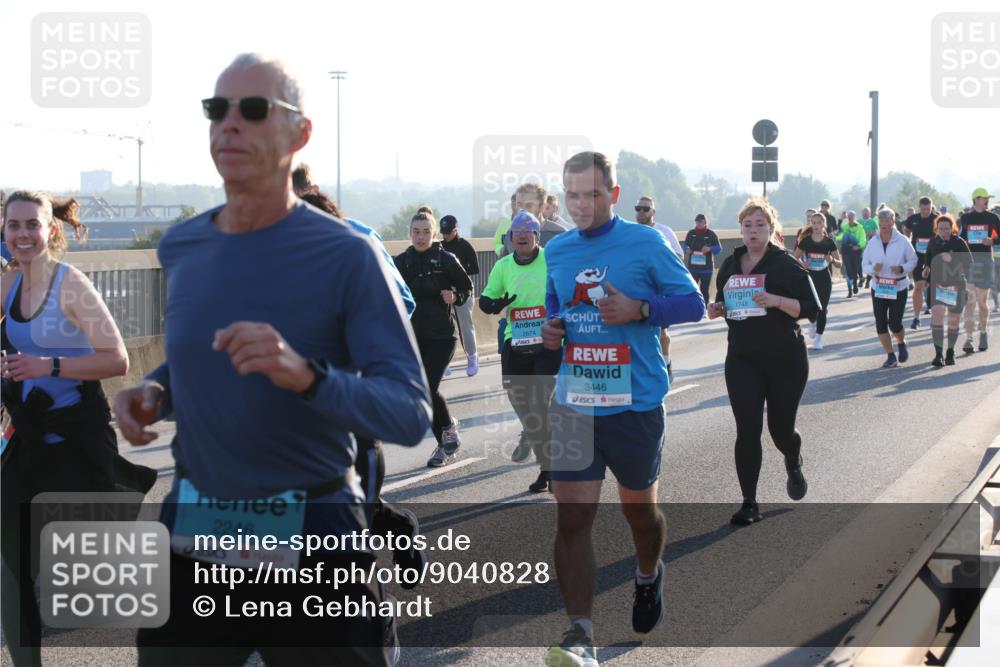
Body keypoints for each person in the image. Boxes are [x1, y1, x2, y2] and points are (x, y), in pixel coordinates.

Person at [111, 54, 432, 667]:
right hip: (196, 531)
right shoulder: (182, 246)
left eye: (253, 111)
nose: (229, 124)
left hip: (314, 537)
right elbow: (197, 360)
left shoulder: (348, 256)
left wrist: (308, 378)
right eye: (217, 110)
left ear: (299, 134)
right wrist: (153, 392)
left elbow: (410, 414)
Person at [541, 151, 704, 667]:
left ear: (612, 195)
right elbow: (556, 305)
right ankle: (580, 634)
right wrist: (553, 328)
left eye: (592, 194)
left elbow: (694, 302)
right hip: (575, 403)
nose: (581, 204)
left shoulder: (646, 242)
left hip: (635, 403)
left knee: (639, 512)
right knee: (572, 519)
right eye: (572, 195)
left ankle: (648, 575)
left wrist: (642, 309)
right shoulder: (559, 249)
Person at [1, 190, 157, 667]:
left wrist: (47, 365)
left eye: (33, 224)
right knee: (10, 569)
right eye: (14, 225)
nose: (23, 234)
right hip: (26, 443)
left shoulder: (71, 286)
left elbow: (117, 359)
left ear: (51, 229)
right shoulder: (5, 285)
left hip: (74, 442)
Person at [707, 198, 819, 526]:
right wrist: (718, 308)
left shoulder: (785, 264)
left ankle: (793, 457)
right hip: (743, 358)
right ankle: (749, 502)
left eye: (759, 225)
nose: (753, 231)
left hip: (785, 358)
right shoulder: (730, 263)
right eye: (747, 225)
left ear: (771, 228)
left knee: (779, 430)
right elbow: (726, 301)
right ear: (740, 230)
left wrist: (776, 301)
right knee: (748, 429)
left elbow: (812, 307)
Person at [479, 210, 560, 493]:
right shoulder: (503, 266)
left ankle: (548, 469)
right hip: (516, 343)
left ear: (537, 237)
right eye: (517, 233)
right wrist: (493, 303)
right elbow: (487, 299)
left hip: (547, 342)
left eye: (528, 232)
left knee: (539, 403)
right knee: (525, 408)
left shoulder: (550, 259)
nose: (522, 237)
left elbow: (567, 289)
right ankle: (539, 444)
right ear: (511, 238)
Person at [394, 211, 473, 468]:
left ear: (434, 234)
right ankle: (444, 442)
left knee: (427, 387)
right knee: (420, 392)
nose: (420, 237)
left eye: (426, 231)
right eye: (416, 232)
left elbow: (466, 288)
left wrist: (455, 295)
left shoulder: (445, 259)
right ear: (410, 234)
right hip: (414, 337)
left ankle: (448, 428)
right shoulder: (401, 262)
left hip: (442, 336)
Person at [862, 207, 918, 368]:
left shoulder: (902, 241)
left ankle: (901, 342)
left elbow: (913, 260)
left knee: (895, 323)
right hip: (879, 286)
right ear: (878, 222)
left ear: (893, 221)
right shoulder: (873, 242)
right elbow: (864, 264)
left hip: (898, 286)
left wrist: (901, 269)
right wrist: (873, 269)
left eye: (887, 220)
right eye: (881, 221)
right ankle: (890, 355)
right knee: (880, 323)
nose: (884, 224)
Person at [634, 195, 683, 380]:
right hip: (636, 288)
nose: (641, 212)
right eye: (638, 208)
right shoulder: (629, 232)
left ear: (653, 212)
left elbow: (678, 257)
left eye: (645, 209)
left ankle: (666, 362)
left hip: (659, 289)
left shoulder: (664, 231)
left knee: (662, 332)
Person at [923, 214, 972, 366]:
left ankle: (950, 351)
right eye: (941, 229)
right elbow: (928, 261)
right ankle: (938, 355)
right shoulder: (933, 242)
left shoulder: (959, 242)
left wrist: (953, 259)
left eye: (947, 229)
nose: (944, 231)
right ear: (937, 229)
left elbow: (969, 263)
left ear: (952, 229)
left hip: (956, 285)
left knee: (953, 322)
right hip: (938, 285)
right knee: (936, 319)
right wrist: (926, 271)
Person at [957, 188, 1000, 353]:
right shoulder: (966, 218)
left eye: (988, 198)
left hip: (986, 262)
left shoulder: (992, 217)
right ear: (975, 199)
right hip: (970, 264)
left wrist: (993, 240)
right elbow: (960, 239)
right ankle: (968, 338)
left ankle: (983, 333)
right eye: (984, 198)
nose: (987, 201)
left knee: (982, 302)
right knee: (970, 301)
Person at [794, 212, 842, 350]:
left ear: (824, 225)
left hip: (824, 278)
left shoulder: (829, 242)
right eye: (813, 223)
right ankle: (812, 321)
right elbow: (794, 258)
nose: (816, 225)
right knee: (811, 307)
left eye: (819, 223)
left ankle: (818, 341)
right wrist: (803, 263)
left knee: (822, 309)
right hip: (809, 277)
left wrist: (832, 260)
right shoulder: (806, 241)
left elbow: (839, 263)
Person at [440, 214, 481, 375]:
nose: (445, 235)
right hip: (445, 289)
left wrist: (458, 272)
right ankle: (443, 362)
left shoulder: (465, 246)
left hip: (463, 289)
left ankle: (472, 356)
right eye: (443, 232)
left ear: (455, 230)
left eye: (448, 232)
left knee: (465, 325)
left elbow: (475, 269)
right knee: (443, 326)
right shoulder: (440, 247)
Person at [902, 196, 939, 328]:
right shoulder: (913, 219)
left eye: (928, 209)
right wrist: (907, 241)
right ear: (919, 208)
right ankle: (916, 318)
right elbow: (905, 230)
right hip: (917, 257)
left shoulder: (936, 218)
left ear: (931, 207)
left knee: (935, 288)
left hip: (933, 257)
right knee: (919, 287)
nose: (925, 212)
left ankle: (935, 319)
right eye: (923, 209)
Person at [683, 213, 722, 307]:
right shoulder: (691, 233)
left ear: (705, 222)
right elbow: (685, 245)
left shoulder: (711, 234)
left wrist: (710, 249)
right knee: (692, 288)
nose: (698, 223)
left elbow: (718, 248)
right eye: (697, 221)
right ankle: (692, 307)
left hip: (706, 268)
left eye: (701, 221)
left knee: (704, 289)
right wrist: (687, 249)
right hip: (693, 267)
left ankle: (704, 308)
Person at [837, 211, 867, 297]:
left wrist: (858, 246)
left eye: (851, 217)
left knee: (854, 271)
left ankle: (855, 284)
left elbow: (863, 239)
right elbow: (839, 235)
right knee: (848, 271)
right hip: (846, 251)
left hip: (856, 251)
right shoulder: (844, 226)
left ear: (854, 217)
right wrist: (834, 236)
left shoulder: (860, 227)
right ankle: (850, 290)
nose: (850, 218)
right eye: (848, 217)